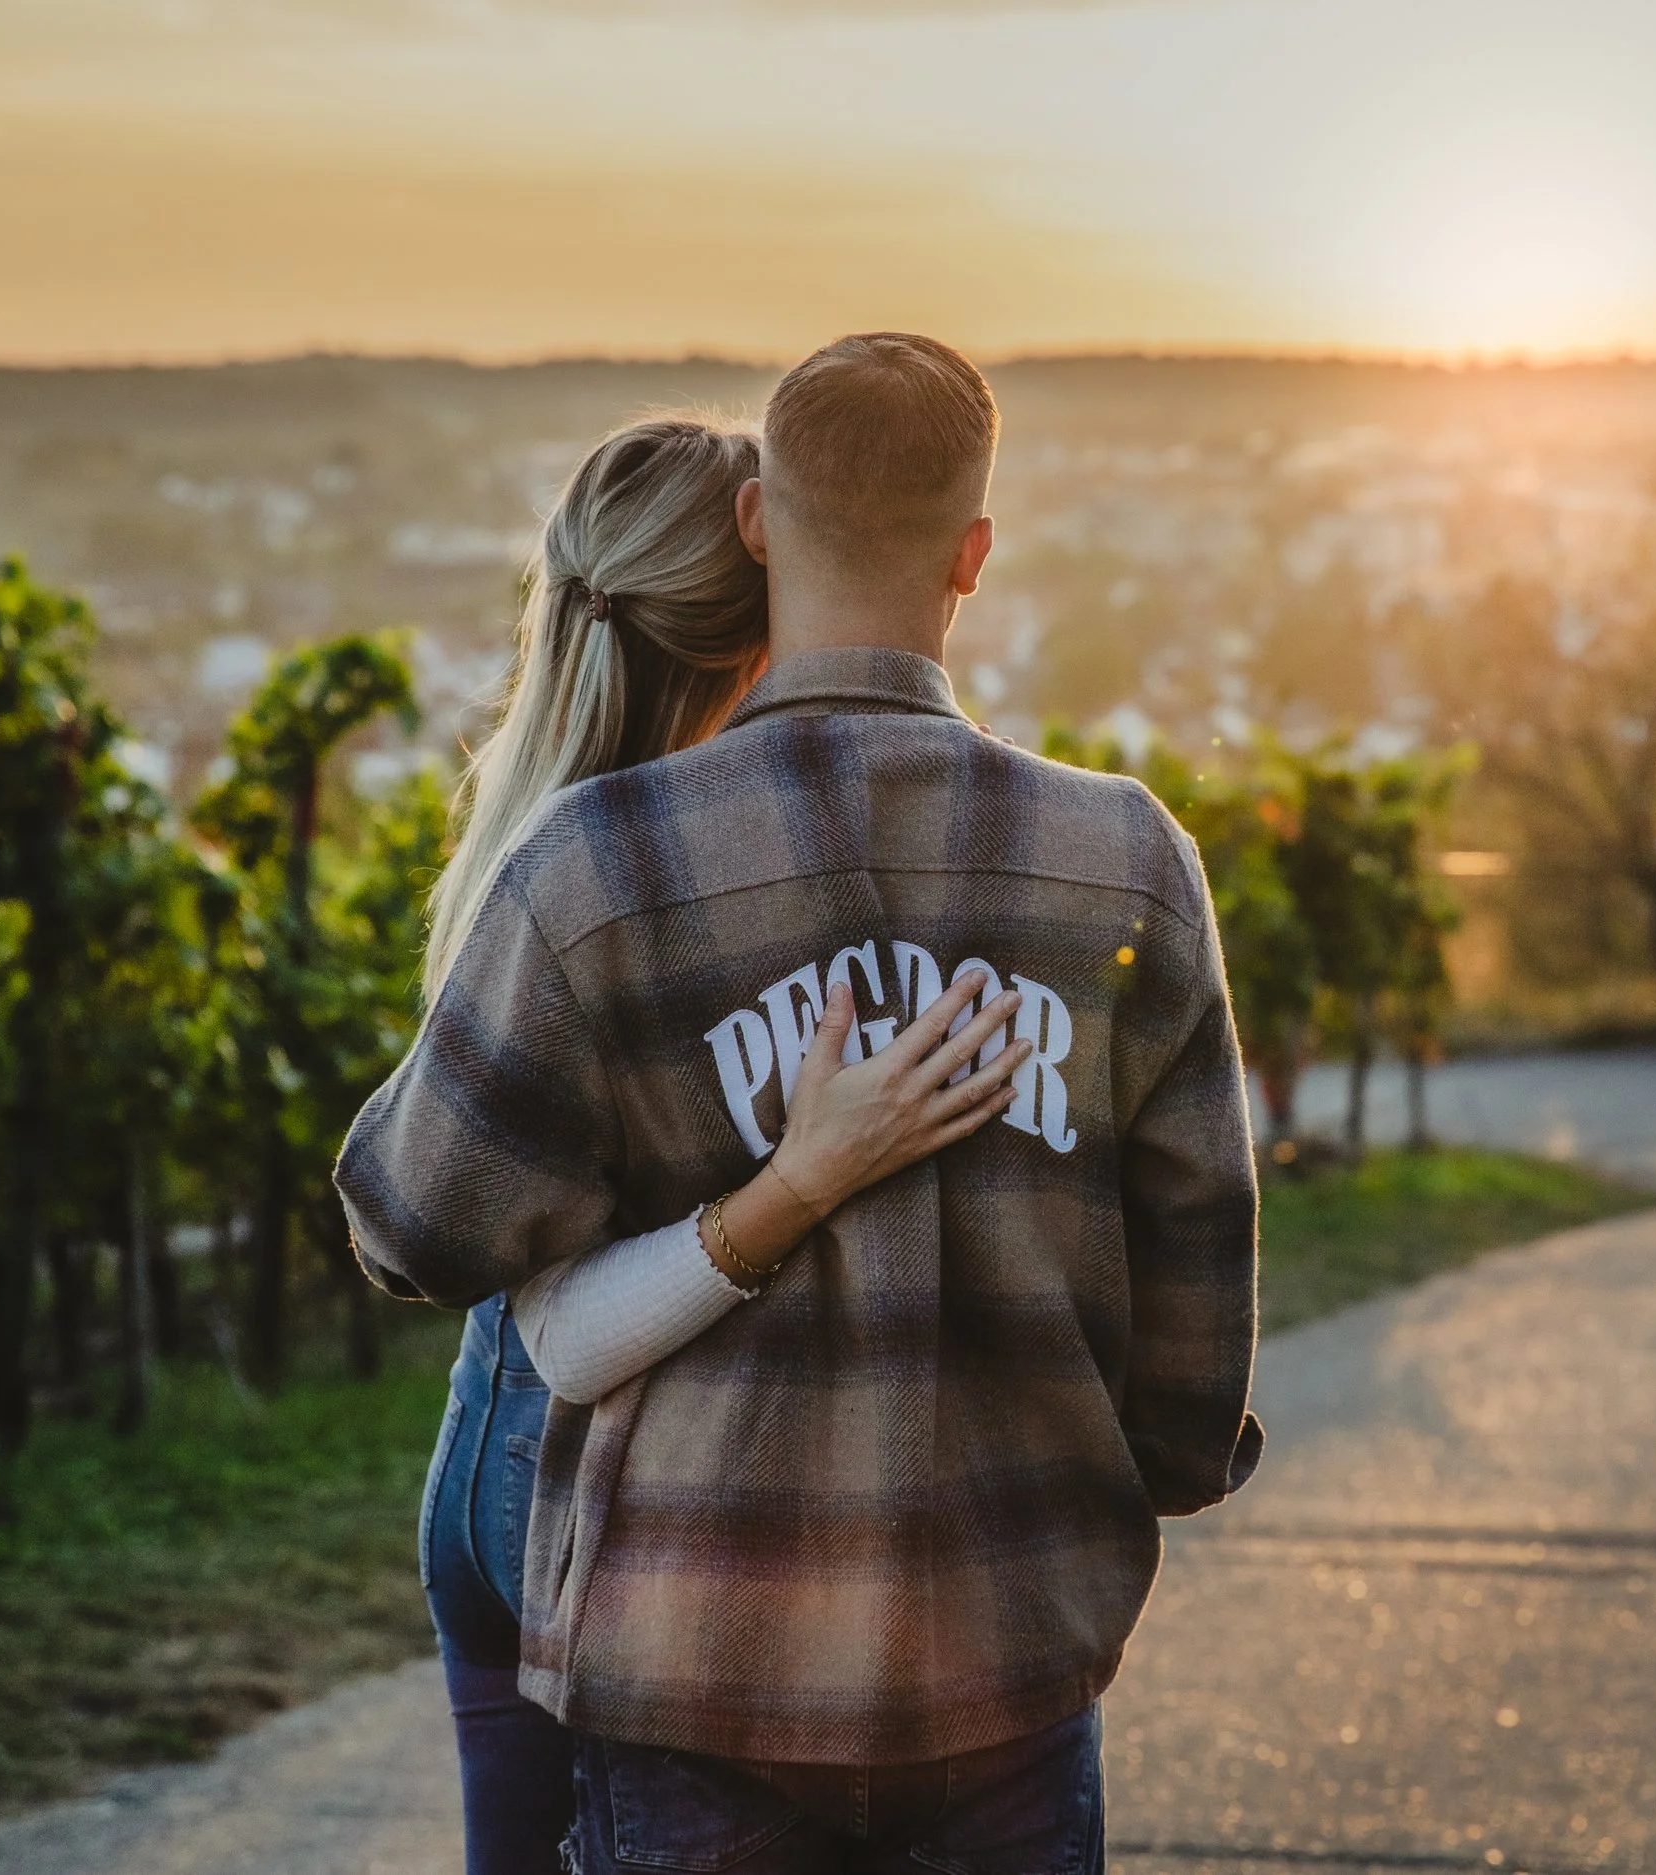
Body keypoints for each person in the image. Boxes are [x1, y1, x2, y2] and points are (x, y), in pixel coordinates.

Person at [338, 334, 1262, 1875]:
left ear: (759, 519)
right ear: (973, 555)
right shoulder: (1130, 860)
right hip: (1006, 1664)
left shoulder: (595, 867)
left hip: (695, 1674)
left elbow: (412, 1224)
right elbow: (1195, 1291)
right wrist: (1141, 1468)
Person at [401, 413, 1031, 1875]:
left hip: (483, 1455)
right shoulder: (613, 882)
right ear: (765, 625)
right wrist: (807, 1179)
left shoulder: (526, 840)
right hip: (580, 1470)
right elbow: (564, 1326)